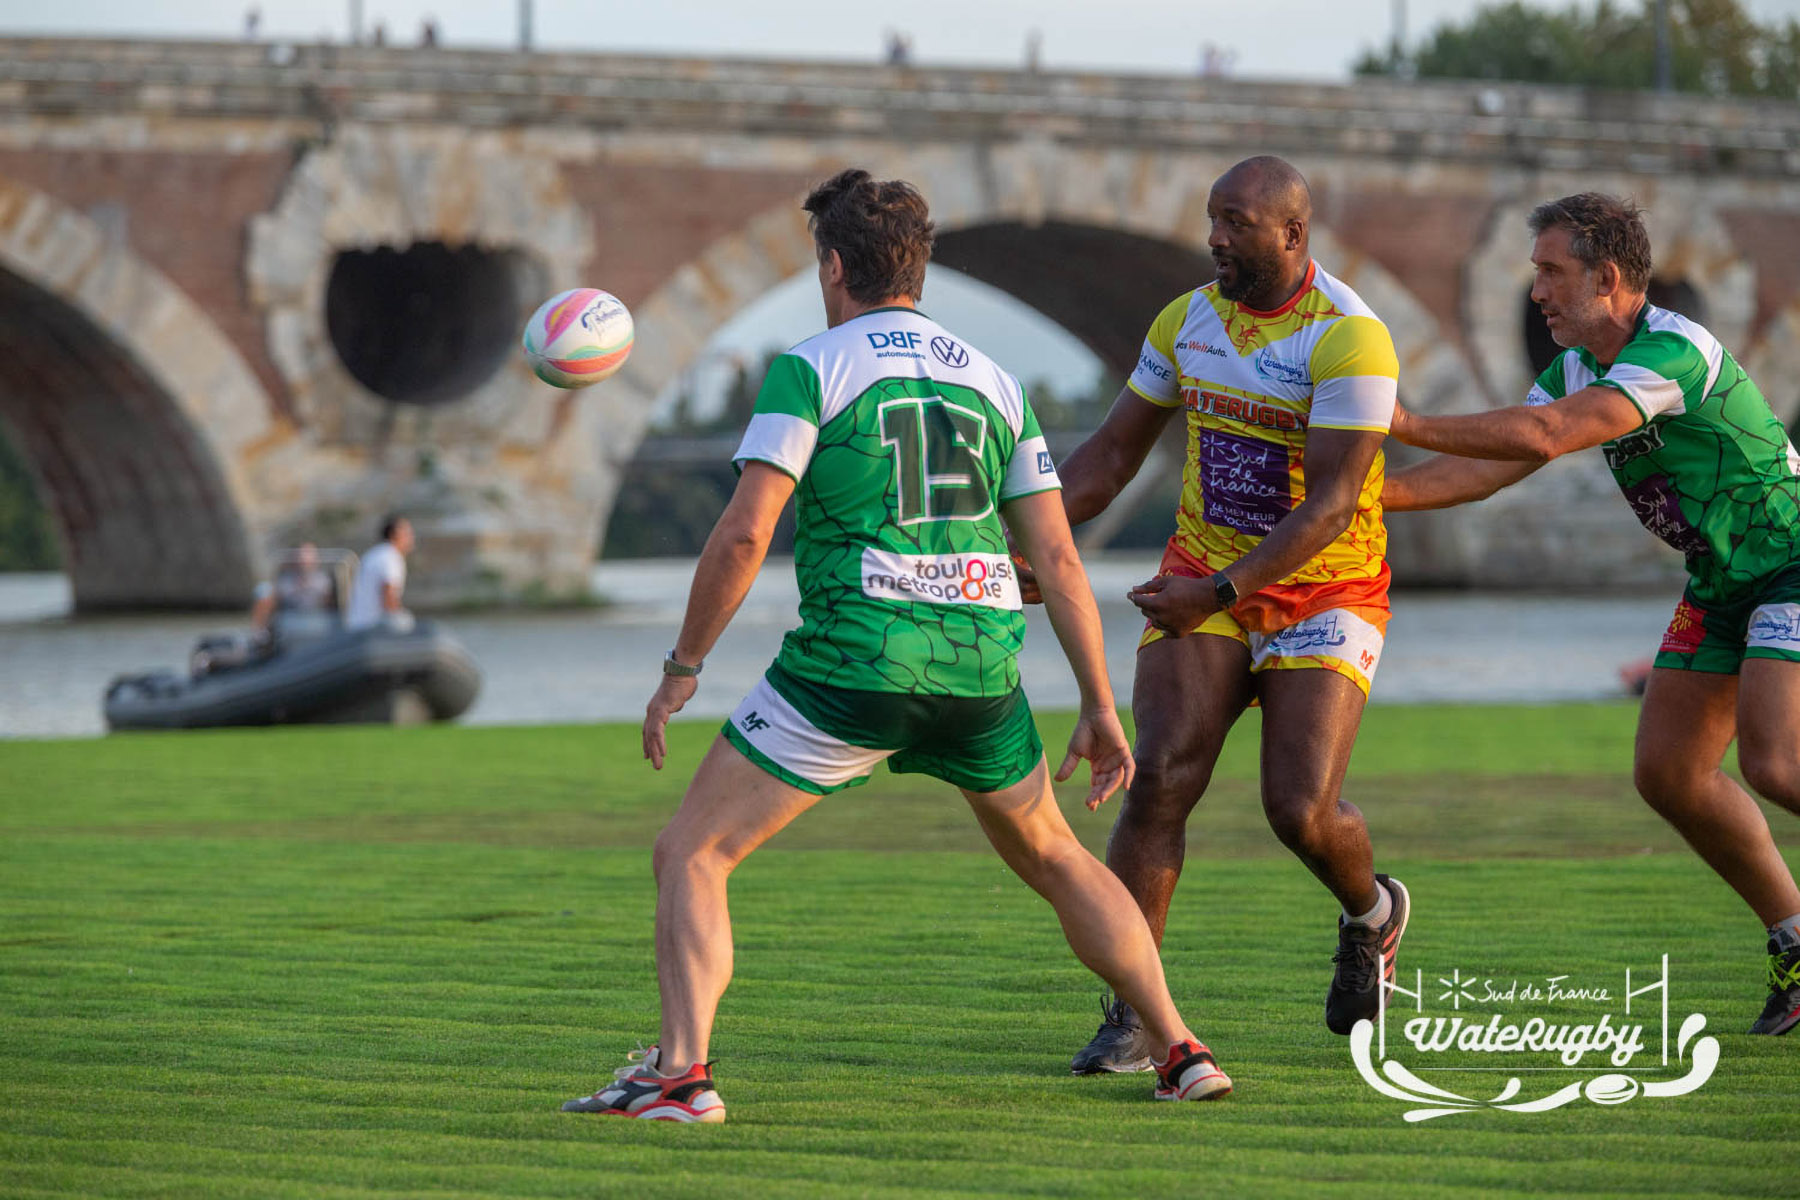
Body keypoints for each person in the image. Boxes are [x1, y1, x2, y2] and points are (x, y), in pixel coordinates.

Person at [560, 169, 1233, 1123]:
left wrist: (682, 669)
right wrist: (1096, 703)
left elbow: (748, 533)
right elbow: (1059, 562)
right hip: (981, 662)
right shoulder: (995, 382)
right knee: (1055, 853)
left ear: (833, 266)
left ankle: (680, 1075)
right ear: (918, 269)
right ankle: (1181, 1049)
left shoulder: (811, 367)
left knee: (693, 853)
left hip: (856, 664)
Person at [1384, 192, 1800, 1035]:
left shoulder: (1671, 352)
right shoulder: (1578, 364)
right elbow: (1495, 469)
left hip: (1789, 563)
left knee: (1777, 764)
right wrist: (1371, 497)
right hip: (1721, 583)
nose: (1536, 291)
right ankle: (1796, 939)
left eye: (1550, 272)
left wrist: (1405, 421)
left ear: (1607, 278)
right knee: (1670, 774)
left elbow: (1542, 436)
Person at [1035, 155, 1411, 1073]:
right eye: (1212, 219)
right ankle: (1134, 1011)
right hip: (1202, 575)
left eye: (1237, 222)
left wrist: (1223, 590)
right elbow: (1112, 455)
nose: (1216, 239)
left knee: (1298, 810)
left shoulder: (1351, 338)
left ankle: (1375, 914)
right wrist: (1022, 532)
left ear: (1293, 233)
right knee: (1160, 776)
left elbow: (1329, 507)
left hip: (1326, 586)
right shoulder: (1187, 319)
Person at [250, 542, 335, 633]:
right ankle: (261, 635)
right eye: (301, 555)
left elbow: (328, 602)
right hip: (289, 616)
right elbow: (277, 598)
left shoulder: (324, 579)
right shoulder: (286, 579)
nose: (304, 559)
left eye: (308, 554)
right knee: (263, 590)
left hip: (317, 618)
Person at [345, 516, 412, 631]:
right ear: (394, 535)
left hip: (356, 623)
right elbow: (389, 596)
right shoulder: (390, 557)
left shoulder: (376, 554)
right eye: (407, 533)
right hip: (370, 627)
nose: (411, 538)